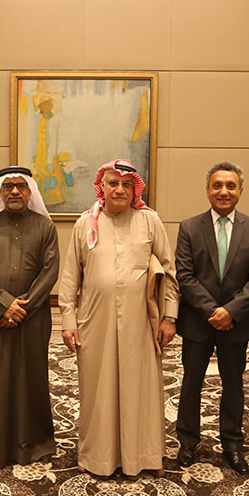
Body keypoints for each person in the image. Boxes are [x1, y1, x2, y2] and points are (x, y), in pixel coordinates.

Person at [58, 158, 179, 477]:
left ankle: (145, 456)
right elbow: (70, 276)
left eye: (126, 184)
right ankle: (96, 456)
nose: (120, 189)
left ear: (135, 189)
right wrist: (68, 320)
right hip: (94, 320)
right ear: (102, 187)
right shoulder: (86, 223)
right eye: (113, 183)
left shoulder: (150, 221)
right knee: (97, 389)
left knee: (141, 389)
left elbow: (169, 271)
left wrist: (170, 317)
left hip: (141, 321)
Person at [174, 161, 249, 474]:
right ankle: (187, 443)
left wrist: (231, 311)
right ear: (207, 190)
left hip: (236, 322)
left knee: (233, 385)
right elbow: (185, 276)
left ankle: (232, 444)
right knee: (191, 383)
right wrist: (212, 311)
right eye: (217, 185)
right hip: (197, 321)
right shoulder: (189, 227)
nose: (223, 191)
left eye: (230, 186)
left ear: (240, 191)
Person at [0, 166, 59, 468]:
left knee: (31, 376)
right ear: (0, 192)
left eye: (21, 186)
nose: (15, 192)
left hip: (33, 318)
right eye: (8, 187)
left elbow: (50, 271)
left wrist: (22, 308)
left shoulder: (45, 227)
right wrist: (5, 305)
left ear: (30, 191)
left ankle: (35, 442)